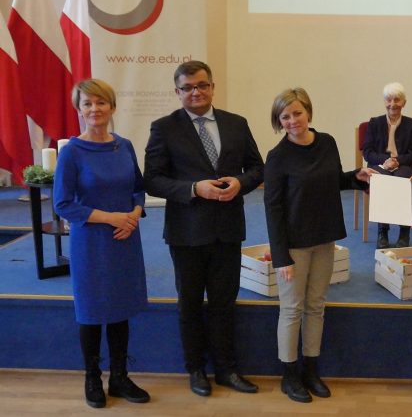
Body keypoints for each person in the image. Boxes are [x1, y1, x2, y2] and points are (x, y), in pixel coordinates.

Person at [144, 60, 264, 397]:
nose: (195, 92)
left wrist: (240, 183)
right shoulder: (164, 128)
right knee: (190, 303)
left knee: (225, 303)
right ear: (177, 92)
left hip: (228, 228)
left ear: (212, 86)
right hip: (187, 232)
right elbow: (152, 179)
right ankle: (195, 369)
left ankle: (226, 369)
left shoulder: (236, 123)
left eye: (202, 85)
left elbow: (257, 168)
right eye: (187, 88)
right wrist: (194, 188)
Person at [264, 88, 374, 403]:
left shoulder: (327, 142)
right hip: (294, 245)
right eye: (285, 116)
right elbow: (272, 208)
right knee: (292, 308)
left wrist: (357, 176)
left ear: (309, 113)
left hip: (324, 237)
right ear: (279, 121)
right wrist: (281, 257)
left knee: (316, 305)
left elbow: (333, 180)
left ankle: (311, 370)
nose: (292, 120)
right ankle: (289, 375)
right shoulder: (277, 156)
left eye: (297, 113)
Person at [54, 79, 150, 408]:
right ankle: (92, 377)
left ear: (112, 107)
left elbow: (138, 189)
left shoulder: (124, 146)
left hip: (125, 237)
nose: (94, 109)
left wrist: (133, 215)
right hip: (91, 243)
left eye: (101, 102)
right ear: (79, 110)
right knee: (92, 310)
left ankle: (120, 377)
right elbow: (63, 204)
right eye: (87, 104)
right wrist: (112, 218)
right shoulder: (72, 152)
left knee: (120, 309)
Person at [361, 82, 412, 248]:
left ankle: (404, 231)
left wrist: (397, 161)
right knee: (382, 181)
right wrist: (385, 161)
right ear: (384, 101)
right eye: (389, 100)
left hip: (402, 165)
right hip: (380, 165)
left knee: (403, 180)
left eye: (397, 100)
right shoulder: (375, 123)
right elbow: (367, 151)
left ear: (404, 103)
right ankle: (383, 231)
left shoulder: (411, 124)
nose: (392, 104)